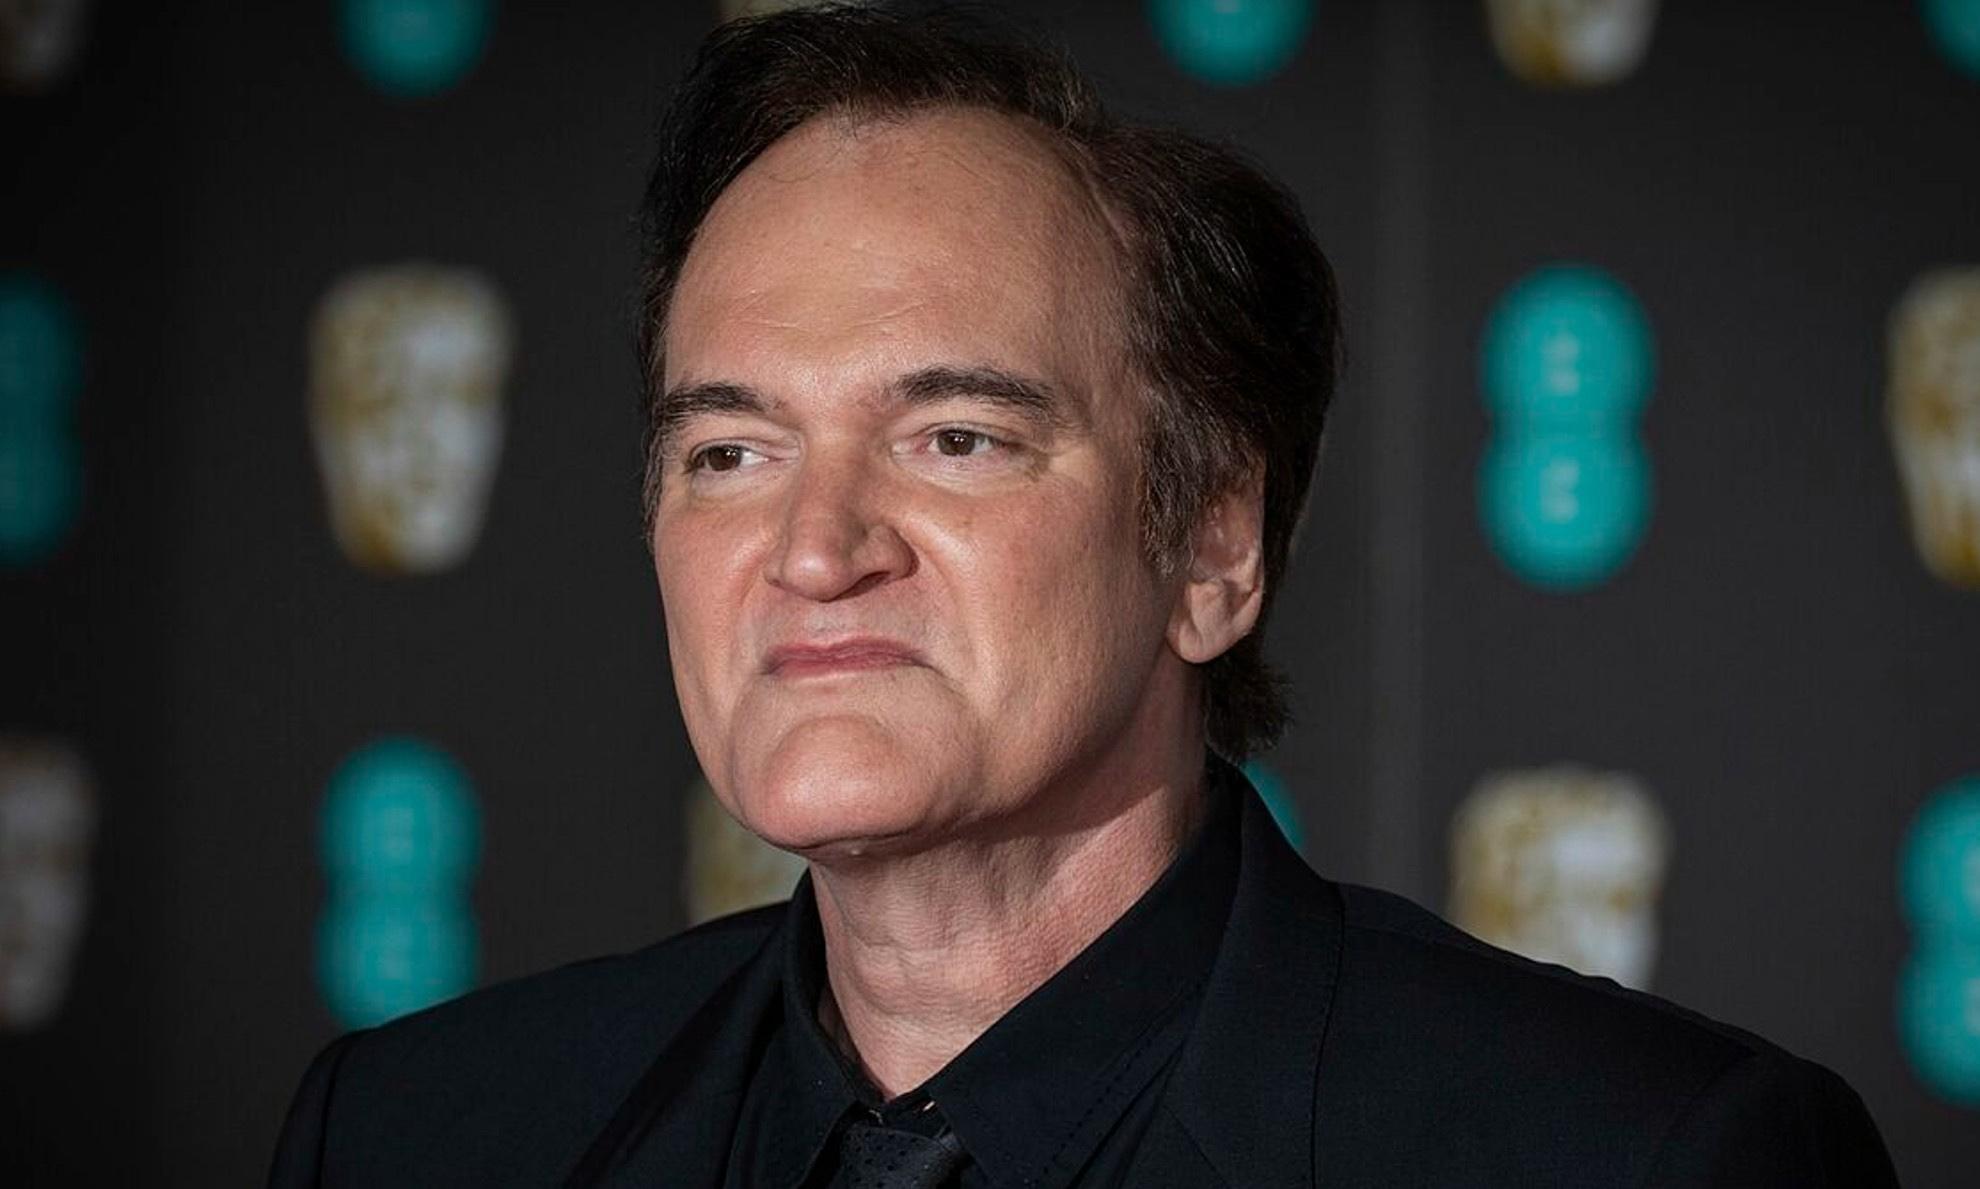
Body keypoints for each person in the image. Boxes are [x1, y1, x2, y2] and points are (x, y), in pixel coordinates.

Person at [269, 7, 1899, 1187]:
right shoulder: (414, 1136)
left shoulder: (1640, 1156)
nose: (816, 548)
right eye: (731, 452)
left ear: (1211, 548)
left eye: (956, 437)